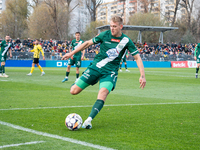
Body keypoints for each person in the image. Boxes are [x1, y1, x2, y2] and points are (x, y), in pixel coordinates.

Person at [62, 16, 146, 129]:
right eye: (111, 26)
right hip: (95, 68)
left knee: (103, 93)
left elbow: (137, 58)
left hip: (110, 72)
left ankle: (88, 120)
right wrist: (71, 53)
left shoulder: (126, 40)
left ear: (121, 27)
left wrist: (142, 75)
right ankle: (79, 80)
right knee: (73, 91)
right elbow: (87, 43)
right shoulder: (104, 34)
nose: (112, 28)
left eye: (115, 26)